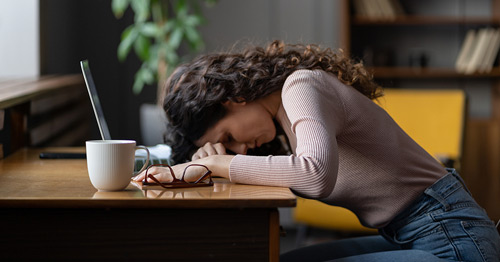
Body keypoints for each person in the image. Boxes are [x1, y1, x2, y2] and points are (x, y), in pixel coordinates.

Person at [133, 40, 500, 261]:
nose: (239, 147)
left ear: (235, 99)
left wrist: (221, 162)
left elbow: (315, 174)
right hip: (421, 232)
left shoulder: (301, 87)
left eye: (228, 135)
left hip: (452, 237)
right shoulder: (287, 122)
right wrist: (212, 164)